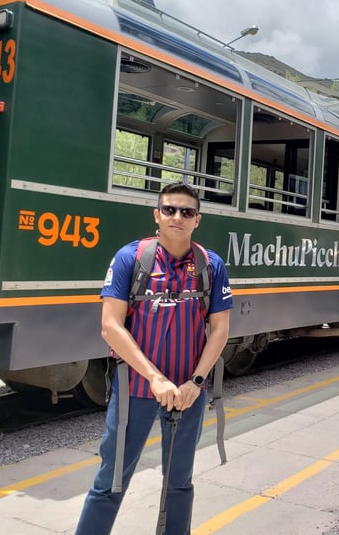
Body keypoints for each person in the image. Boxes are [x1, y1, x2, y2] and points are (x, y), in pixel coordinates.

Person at [75, 182, 233, 535]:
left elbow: (220, 330)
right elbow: (110, 326)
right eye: (169, 210)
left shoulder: (212, 265)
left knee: (179, 482)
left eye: (186, 212)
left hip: (189, 394)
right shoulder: (131, 258)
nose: (177, 217)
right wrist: (154, 377)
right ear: (156, 215)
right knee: (111, 480)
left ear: (197, 220)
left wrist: (195, 382)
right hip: (136, 391)